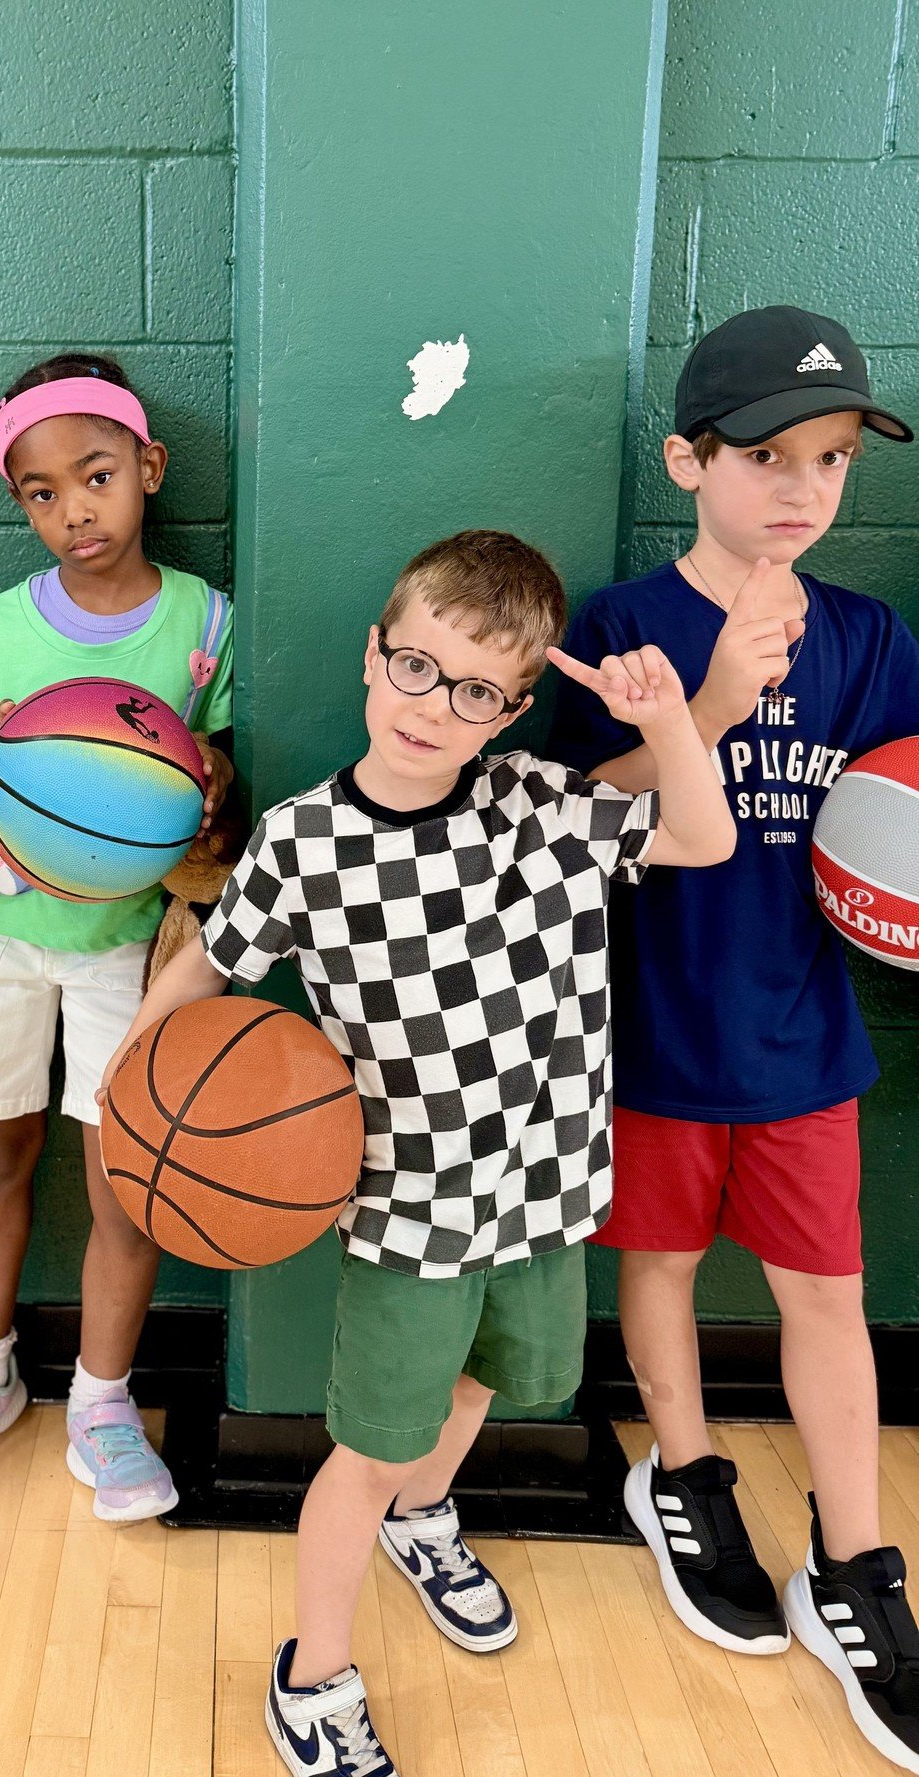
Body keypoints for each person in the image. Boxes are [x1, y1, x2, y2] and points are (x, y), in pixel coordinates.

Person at [102, 529, 734, 1774]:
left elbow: (703, 839)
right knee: (372, 1441)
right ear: (371, 657)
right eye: (416, 667)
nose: (434, 708)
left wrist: (668, 723)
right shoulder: (301, 842)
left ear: (513, 712)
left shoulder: (548, 807)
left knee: (502, 1377)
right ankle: (314, 1673)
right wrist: (133, 1070)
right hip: (408, 1214)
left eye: (478, 691)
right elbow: (212, 961)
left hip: (545, 1191)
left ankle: (426, 1518)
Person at [548, 306, 919, 1774]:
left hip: (801, 1033)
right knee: (661, 1268)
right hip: (651, 1025)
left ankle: (861, 1573)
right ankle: (684, 1475)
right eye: (766, 454)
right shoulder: (619, 623)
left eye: (829, 458)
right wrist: (712, 699)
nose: (801, 488)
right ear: (687, 459)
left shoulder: (873, 637)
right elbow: (580, 814)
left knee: (828, 1297)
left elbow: (894, 816)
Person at [0, 354, 233, 1521]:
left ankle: (101, 1397)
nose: (73, 508)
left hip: (121, 947)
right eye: (40, 492)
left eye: (95, 475)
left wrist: (207, 780)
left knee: (122, 1182)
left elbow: (229, 783)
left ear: (149, 468)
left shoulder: (204, 623)